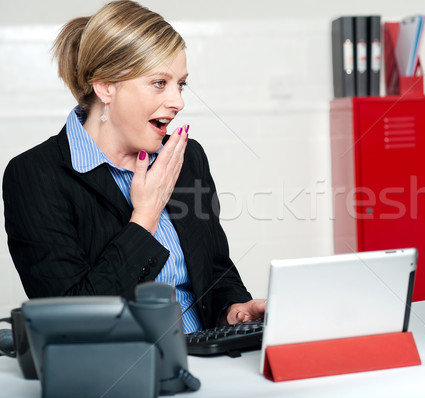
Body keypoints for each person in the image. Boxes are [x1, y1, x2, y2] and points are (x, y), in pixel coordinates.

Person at [2, 0, 265, 333]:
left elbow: (215, 271)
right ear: (106, 86)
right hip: (120, 375)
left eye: (180, 84)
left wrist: (234, 310)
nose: (178, 102)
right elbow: (73, 323)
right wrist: (145, 217)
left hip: (206, 358)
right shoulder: (35, 175)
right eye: (159, 83)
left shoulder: (185, 158)